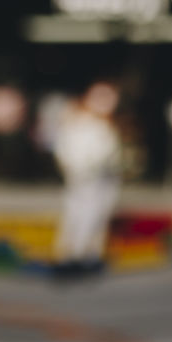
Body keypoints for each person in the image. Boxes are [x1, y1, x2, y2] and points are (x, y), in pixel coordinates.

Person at [52, 80, 121, 277]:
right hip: (82, 177)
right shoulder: (77, 121)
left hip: (101, 179)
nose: (108, 103)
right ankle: (72, 256)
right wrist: (76, 168)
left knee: (96, 216)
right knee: (79, 215)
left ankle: (87, 256)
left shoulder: (105, 123)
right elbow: (65, 149)